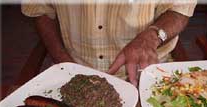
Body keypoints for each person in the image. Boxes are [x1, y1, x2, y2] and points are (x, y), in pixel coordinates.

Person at [22, 1, 197, 86]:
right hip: (73, 70)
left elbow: (180, 8)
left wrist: (151, 37)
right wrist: (63, 61)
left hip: (148, 72)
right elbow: (40, 9)